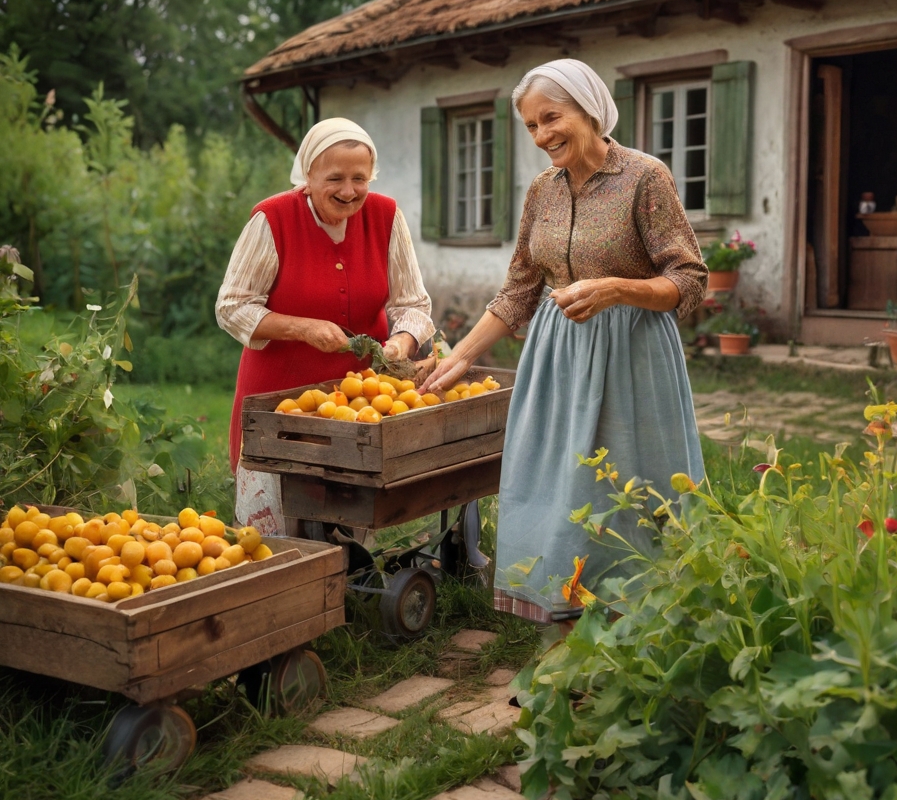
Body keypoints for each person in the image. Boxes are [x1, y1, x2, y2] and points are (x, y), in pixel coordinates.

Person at [421, 59, 708, 624]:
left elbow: (690, 279)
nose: (541, 135)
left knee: (629, 486)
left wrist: (617, 289)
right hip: (556, 355)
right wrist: (459, 356)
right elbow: (519, 289)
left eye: (551, 118)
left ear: (590, 109)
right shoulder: (542, 190)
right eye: (531, 125)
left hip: (631, 353)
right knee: (553, 483)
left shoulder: (644, 177)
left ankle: (642, 617)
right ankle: (563, 613)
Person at [216, 118, 434, 536]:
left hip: (359, 402)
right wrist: (302, 329)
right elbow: (232, 306)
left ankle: (350, 573)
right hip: (278, 400)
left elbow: (414, 303)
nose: (349, 191)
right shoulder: (273, 219)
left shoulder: (386, 215)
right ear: (308, 176)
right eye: (335, 178)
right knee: (276, 532)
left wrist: (402, 341)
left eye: (359, 178)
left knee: (350, 519)